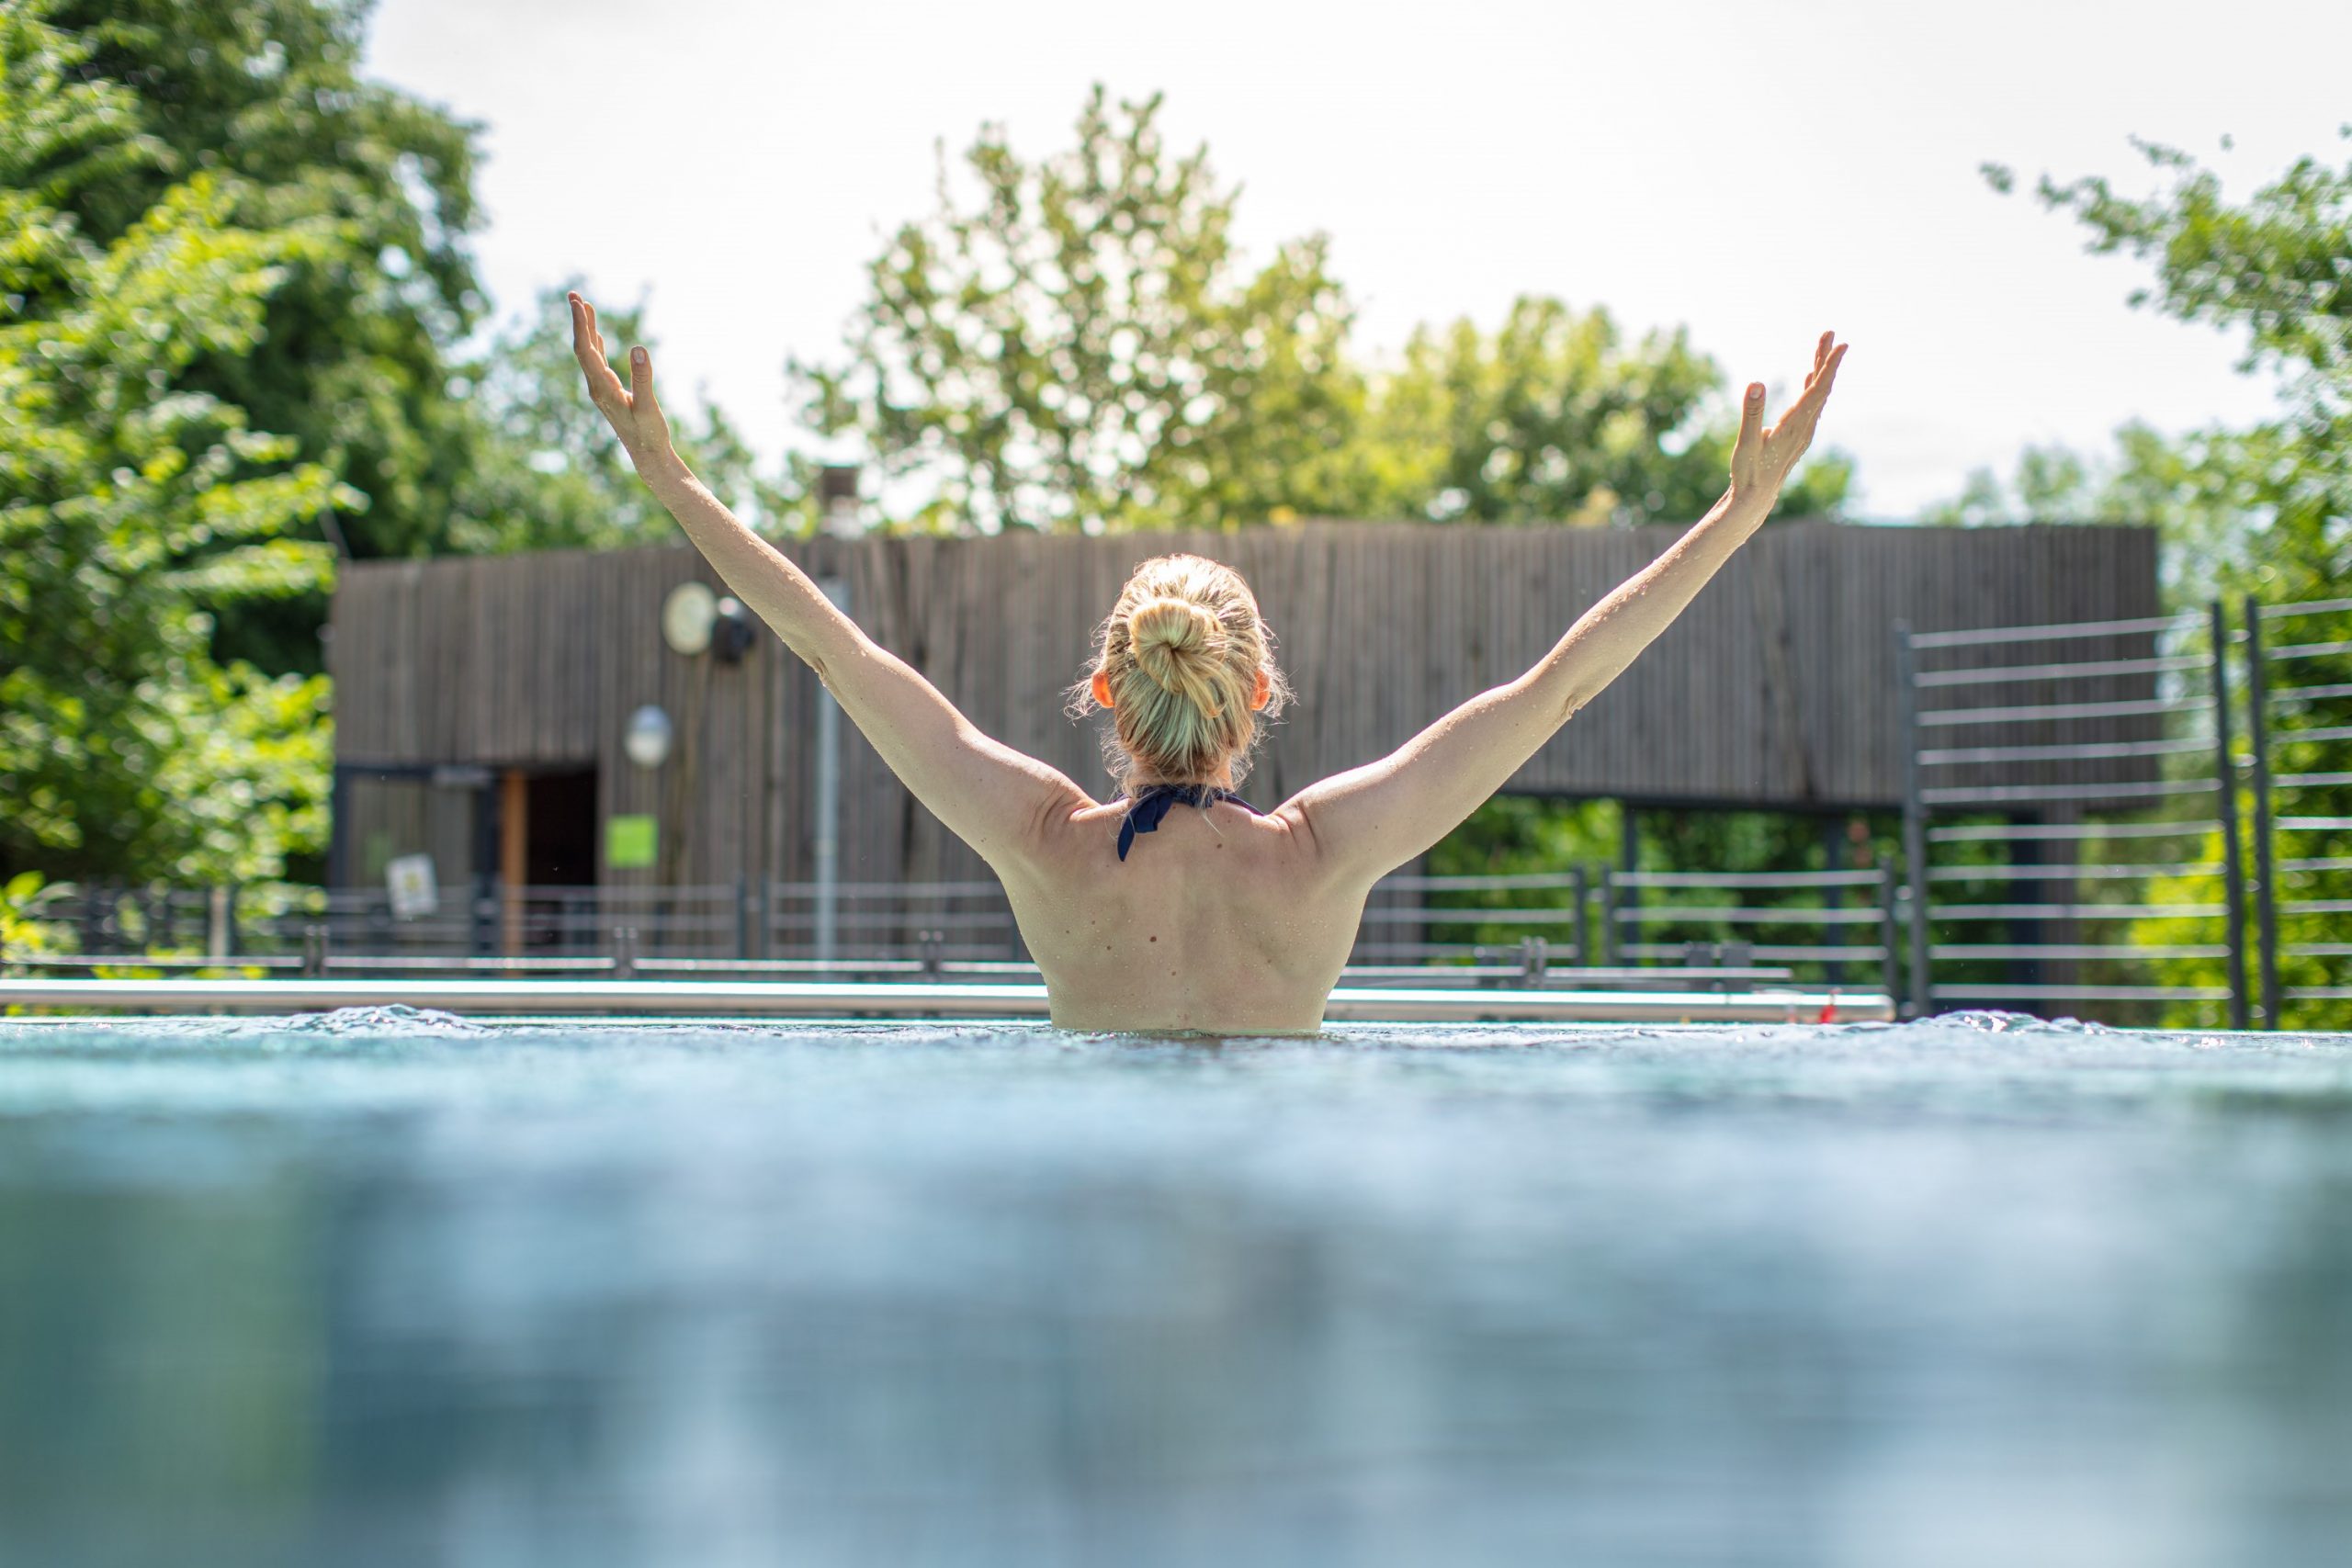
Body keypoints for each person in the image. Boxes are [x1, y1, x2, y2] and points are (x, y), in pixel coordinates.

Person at [569, 293, 1847, 1033]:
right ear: (1262, 694)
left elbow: (828, 646)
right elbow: (1563, 681)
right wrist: (1734, 513)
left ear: (1107, 689)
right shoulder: (1324, 852)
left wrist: (669, 478)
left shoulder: (1040, 839)